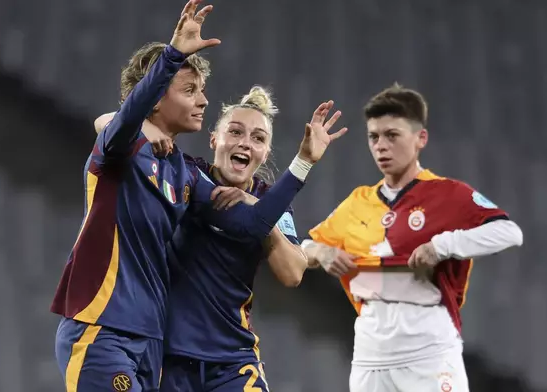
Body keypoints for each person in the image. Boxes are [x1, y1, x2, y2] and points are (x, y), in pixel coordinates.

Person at [50, 1, 346, 391]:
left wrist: (304, 162)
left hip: (165, 345)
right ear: (215, 140)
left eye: (258, 138)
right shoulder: (128, 149)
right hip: (105, 326)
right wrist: (172, 57)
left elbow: (264, 236)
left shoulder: (186, 177)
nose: (203, 101)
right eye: (191, 91)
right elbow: (117, 121)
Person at [95, 87, 333, 392]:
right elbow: (104, 123)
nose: (245, 143)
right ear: (214, 139)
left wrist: (257, 212)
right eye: (235, 132)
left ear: (266, 153)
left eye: (258, 138)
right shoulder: (188, 174)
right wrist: (148, 130)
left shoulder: (271, 201)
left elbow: (292, 273)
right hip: (170, 357)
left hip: (234, 360)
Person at [302, 83, 523, 392]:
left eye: (392, 135)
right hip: (371, 360)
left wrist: (443, 246)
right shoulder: (357, 202)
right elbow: (306, 247)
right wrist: (322, 253)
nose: (381, 146)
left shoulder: (448, 194)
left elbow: (508, 232)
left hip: (429, 355)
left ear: (421, 139)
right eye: (374, 137)